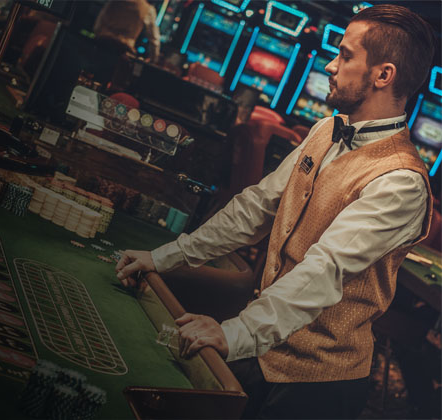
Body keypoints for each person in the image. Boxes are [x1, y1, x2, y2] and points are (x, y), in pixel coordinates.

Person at [115, 4, 435, 419]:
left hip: (319, 382)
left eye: (345, 55)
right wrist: (162, 257)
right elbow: (254, 208)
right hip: (266, 345)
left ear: (383, 74)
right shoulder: (325, 129)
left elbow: (323, 269)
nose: (330, 64)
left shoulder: (401, 183)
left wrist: (235, 332)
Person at [93, 0, 160, 63]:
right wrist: (153, 59)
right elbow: (154, 39)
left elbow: (99, 23)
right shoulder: (148, 9)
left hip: (102, 43)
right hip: (123, 51)